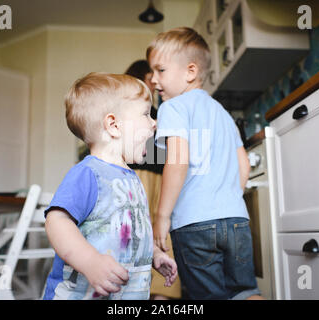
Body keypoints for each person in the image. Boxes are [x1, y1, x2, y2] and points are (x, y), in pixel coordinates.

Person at [148, 27, 263, 300]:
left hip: (194, 224)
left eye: (160, 70)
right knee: (245, 292)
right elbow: (243, 164)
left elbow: (178, 160)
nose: (153, 79)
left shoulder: (173, 108)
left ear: (190, 71)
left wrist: (161, 216)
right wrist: (229, 200)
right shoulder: (223, 114)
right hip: (237, 221)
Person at [42, 72, 178, 300]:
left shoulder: (132, 178)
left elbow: (132, 234)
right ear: (114, 126)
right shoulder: (88, 174)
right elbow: (56, 221)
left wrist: (152, 254)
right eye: (146, 114)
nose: (154, 122)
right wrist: (90, 261)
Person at [125, 60, 182, 300]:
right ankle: (139, 293)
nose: (155, 82)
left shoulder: (158, 113)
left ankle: (161, 294)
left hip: (161, 176)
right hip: (139, 175)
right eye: (151, 77)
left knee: (160, 234)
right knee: (139, 232)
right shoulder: (133, 111)